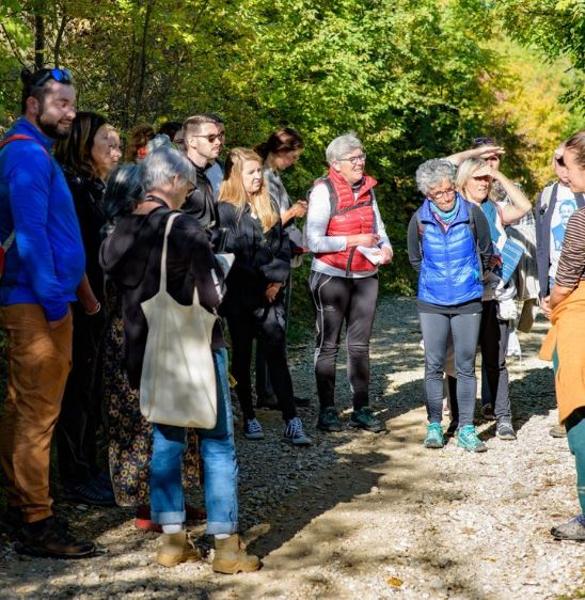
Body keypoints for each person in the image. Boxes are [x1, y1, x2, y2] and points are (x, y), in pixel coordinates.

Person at [100, 140, 259, 572]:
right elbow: (212, 296)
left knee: (165, 441)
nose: (189, 193)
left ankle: (172, 541)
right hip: (195, 350)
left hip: (145, 350)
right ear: (170, 181)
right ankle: (226, 546)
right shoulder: (184, 229)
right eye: (187, 186)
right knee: (218, 442)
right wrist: (220, 271)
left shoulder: (118, 232)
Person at [0, 67, 95, 558]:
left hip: (44, 300)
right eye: (61, 103)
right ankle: (36, 521)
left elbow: (57, 234)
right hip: (36, 305)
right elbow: (33, 237)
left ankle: (23, 507)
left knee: (25, 408)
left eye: (72, 104)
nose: (71, 112)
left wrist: (80, 292)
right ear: (34, 106)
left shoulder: (36, 153)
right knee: (38, 413)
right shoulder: (25, 156)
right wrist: (57, 304)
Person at [101, 161, 204, 532]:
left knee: (160, 416)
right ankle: (149, 507)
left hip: (132, 329)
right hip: (141, 330)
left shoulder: (121, 233)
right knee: (145, 417)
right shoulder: (131, 230)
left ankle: (168, 501)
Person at [218, 148, 312, 445]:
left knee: (276, 354)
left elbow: (282, 245)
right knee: (242, 357)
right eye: (251, 172)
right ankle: (248, 415)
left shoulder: (268, 203)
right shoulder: (226, 210)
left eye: (259, 171)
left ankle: (292, 419)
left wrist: (277, 279)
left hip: (271, 295)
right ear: (236, 176)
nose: (258, 177)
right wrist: (264, 279)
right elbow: (237, 253)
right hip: (241, 295)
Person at [53, 111, 121, 506]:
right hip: (82, 303)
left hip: (101, 300)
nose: (115, 149)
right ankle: (74, 474)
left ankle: (89, 467)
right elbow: (72, 247)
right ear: (84, 146)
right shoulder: (73, 187)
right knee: (77, 390)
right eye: (106, 143)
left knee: (92, 388)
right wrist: (91, 300)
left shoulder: (97, 186)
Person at [306, 133, 392, 433]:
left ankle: (361, 409)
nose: (360, 162)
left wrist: (387, 248)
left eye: (362, 156)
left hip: (365, 276)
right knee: (328, 346)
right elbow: (312, 240)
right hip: (330, 277)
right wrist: (353, 240)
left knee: (360, 346)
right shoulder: (323, 191)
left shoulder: (369, 189)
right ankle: (327, 412)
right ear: (335, 164)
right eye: (353, 158)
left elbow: (378, 228)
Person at [408, 159, 494, 451]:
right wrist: (435, 280)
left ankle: (467, 428)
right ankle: (434, 425)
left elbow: (486, 251)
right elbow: (415, 259)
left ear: (455, 187)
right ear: (427, 194)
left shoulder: (472, 214)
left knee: (466, 365)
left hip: (468, 299)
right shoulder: (419, 219)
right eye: (437, 193)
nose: (445, 197)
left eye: (448, 190)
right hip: (432, 301)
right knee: (433, 364)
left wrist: (471, 277)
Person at [456, 157, 532, 441]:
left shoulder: (495, 209)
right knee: (460, 362)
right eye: (479, 178)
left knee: (495, 360)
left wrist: (499, 174)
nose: (484, 184)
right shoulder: (453, 208)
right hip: (463, 297)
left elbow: (524, 207)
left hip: (495, 296)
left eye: (487, 179)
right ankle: (461, 418)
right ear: (463, 180)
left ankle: (503, 418)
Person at [540, 130, 585, 541]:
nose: (562, 175)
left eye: (566, 166)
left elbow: (566, 278)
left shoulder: (582, 219)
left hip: (579, 321)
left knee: (580, 412)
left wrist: (551, 302)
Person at [254, 127, 308, 409]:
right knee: (271, 327)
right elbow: (266, 221)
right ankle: (267, 391)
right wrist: (293, 213)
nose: (294, 162)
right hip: (269, 259)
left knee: (276, 328)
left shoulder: (273, 177)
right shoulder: (262, 177)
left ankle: (275, 388)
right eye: (293, 156)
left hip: (280, 256)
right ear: (282, 151)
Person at [181, 114, 223, 234]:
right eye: (211, 138)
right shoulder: (180, 175)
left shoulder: (204, 174)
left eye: (219, 137)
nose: (218, 142)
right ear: (192, 141)